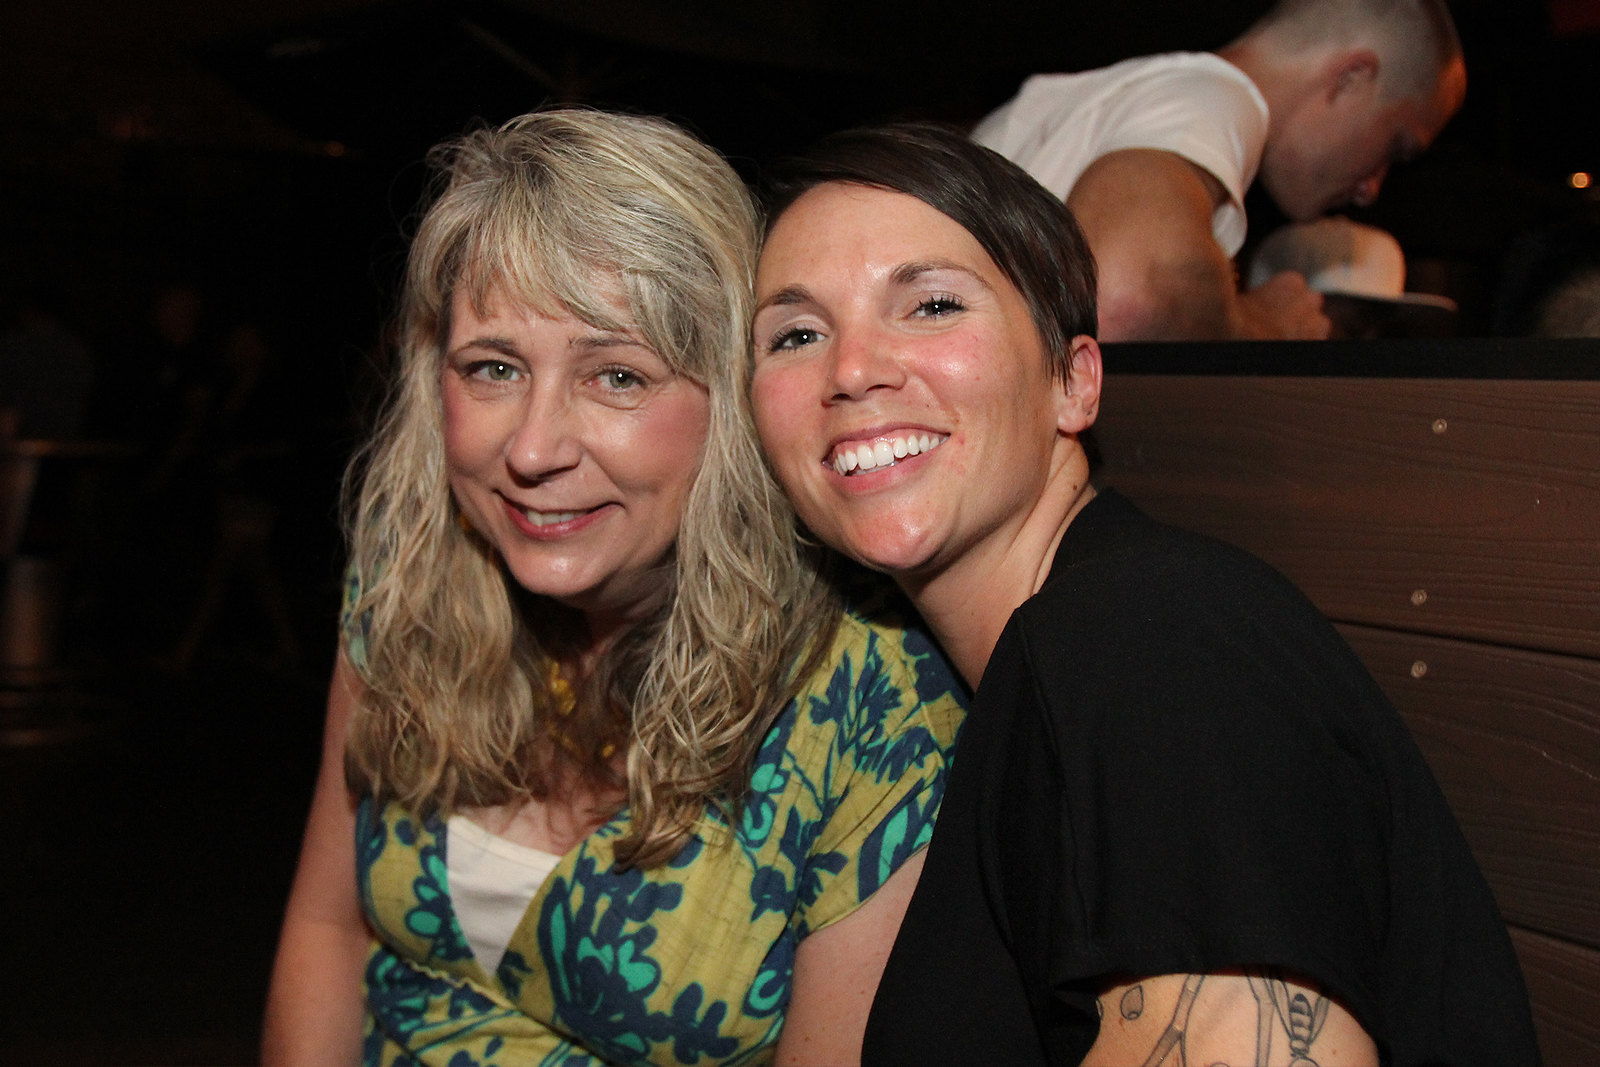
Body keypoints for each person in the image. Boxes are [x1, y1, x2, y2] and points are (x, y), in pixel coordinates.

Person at [748, 123, 1538, 1066]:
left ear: (1074, 383)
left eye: (931, 305)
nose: (850, 370)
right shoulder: (1020, 663)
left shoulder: (1146, 638)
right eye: (797, 334)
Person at [261, 109, 966, 1066]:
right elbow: (328, 930)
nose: (533, 448)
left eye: (618, 377)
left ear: (735, 402)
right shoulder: (410, 583)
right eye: (494, 367)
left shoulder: (874, 704)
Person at [972, 0, 1467, 342]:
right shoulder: (1215, 100)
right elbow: (1123, 299)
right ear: (1351, 78)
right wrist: (1265, 325)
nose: (1372, 188)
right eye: (1395, 147)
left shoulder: (1083, 100)